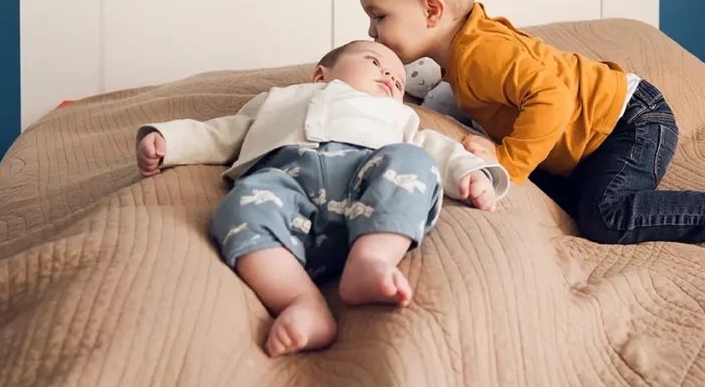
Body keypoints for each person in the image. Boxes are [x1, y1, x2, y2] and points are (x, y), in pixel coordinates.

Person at [355, 0, 705, 268]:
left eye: (380, 17)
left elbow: (551, 98)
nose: (372, 32)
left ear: (432, 10)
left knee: (605, 218)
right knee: (557, 195)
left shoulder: (480, 54)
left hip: (631, 120)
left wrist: (509, 162)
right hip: (595, 134)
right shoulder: (459, 54)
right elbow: (455, 99)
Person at [136, 39, 510, 357]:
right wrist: (170, 142)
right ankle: (301, 300)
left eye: (398, 81)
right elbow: (222, 133)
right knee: (241, 205)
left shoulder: (399, 118)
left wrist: (471, 173)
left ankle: (372, 259)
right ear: (320, 75)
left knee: (414, 161)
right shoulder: (280, 99)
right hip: (286, 186)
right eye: (375, 61)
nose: (390, 78)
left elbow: (436, 148)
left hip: (365, 188)